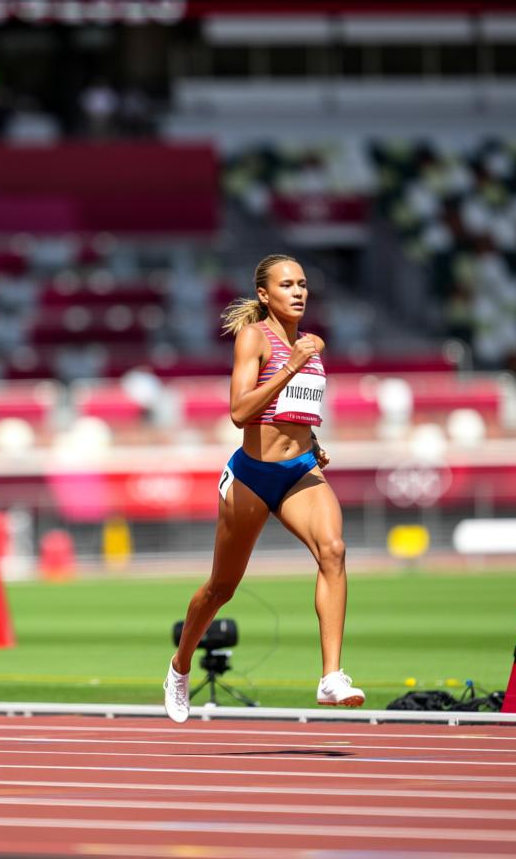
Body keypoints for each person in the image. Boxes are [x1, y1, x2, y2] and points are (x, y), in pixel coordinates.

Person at [163, 254, 363, 723]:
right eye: (287, 284)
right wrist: (291, 365)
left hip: (299, 470)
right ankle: (179, 667)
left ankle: (331, 676)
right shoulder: (254, 338)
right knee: (220, 589)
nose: (298, 292)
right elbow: (239, 411)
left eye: (303, 284)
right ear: (264, 295)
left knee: (333, 550)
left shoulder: (311, 343)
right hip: (252, 476)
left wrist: (313, 442)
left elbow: (294, 411)